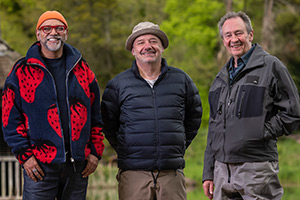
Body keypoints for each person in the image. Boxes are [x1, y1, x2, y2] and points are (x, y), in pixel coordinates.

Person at [1, 10, 105, 199]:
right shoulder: (20, 72)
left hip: (77, 165)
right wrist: (25, 156)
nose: (53, 33)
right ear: (38, 34)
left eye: (59, 28)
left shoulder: (83, 69)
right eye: (46, 28)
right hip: (39, 165)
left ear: (66, 33)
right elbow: (10, 119)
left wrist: (96, 152)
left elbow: (96, 113)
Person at [202, 11, 300, 200]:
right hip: (222, 171)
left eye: (238, 33)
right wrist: (208, 172)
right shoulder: (220, 79)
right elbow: (214, 128)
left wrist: (260, 132)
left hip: (256, 168)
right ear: (223, 40)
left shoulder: (271, 66)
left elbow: (293, 111)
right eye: (228, 35)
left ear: (250, 34)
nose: (234, 39)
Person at [101, 21, 202, 200]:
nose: (148, 46)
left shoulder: (182, 80)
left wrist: (176, 145)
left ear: (162, 47)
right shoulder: (118, 85)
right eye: (141, 42)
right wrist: (127, 149)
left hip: (172, 175)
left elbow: (193, 117)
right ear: (133, 50)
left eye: (153, 41)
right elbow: (109, 124)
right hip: (133, 175)